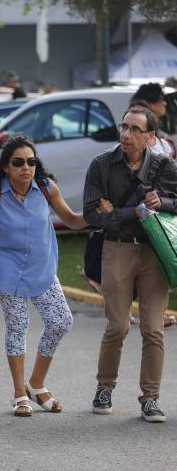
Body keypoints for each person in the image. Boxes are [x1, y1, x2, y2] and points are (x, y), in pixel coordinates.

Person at [0, 135, 85, 417]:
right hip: (9, 269)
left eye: (30, 162)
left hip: (42, 268)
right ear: (6, 167)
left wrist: (96, 215)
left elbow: (73, 219)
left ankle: (37, 384)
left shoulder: (45, 187)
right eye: (18, 163)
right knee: (17, 328)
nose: (25, 168)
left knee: (61, 321)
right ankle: (19, 394)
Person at [83, 105, 177, 422]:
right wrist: (134, 212)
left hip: (154, 252)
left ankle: (150, 398)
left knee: (153, 329)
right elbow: (92, 215)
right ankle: (104, 388)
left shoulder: (165, 167)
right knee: (118, 326)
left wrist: (161, 202)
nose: (127, 134)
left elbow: (174, 204)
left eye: (136, 129)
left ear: (151, 137)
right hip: (117, 249)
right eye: (125, 127)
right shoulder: (101, 165)